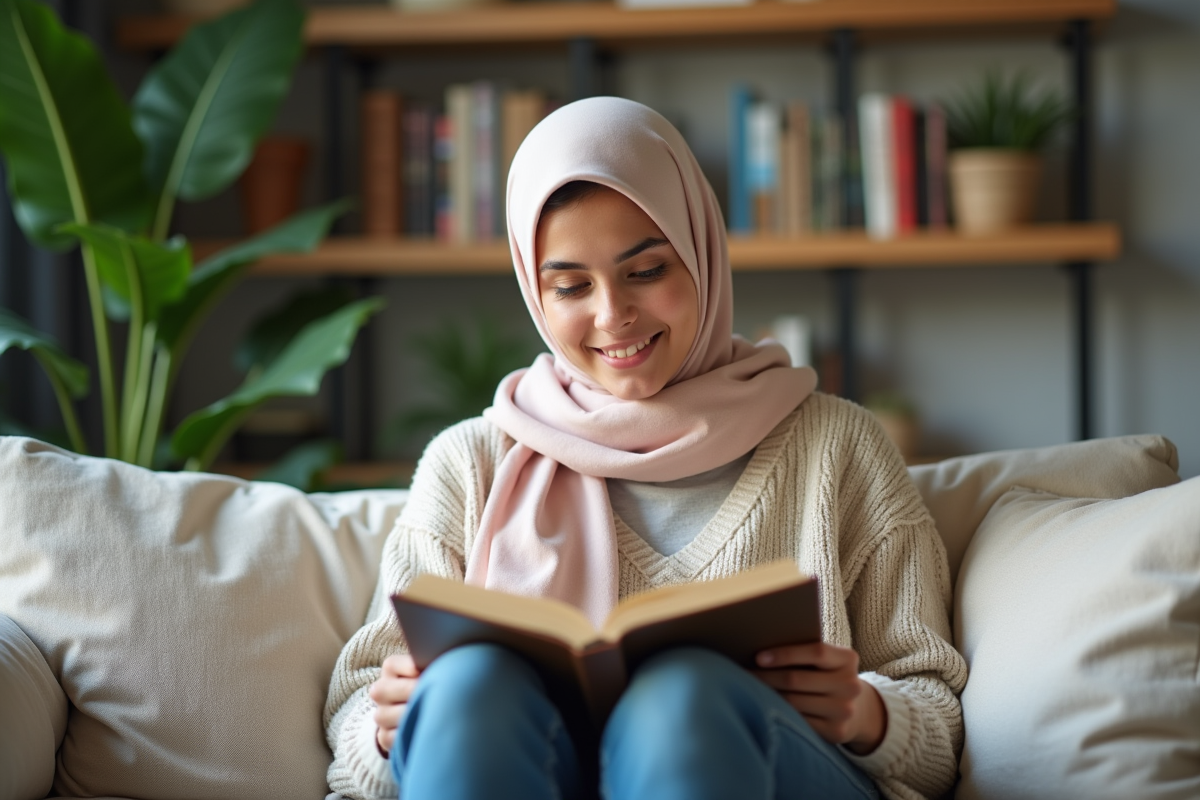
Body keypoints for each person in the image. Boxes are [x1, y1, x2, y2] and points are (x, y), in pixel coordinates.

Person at [324, 96, 966, 800]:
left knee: (682, 697)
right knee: (468, 687)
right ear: (536, 292)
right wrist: (392, 724)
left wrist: (867, 714)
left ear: (701, 252)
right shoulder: (470, 463)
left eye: (647, 271)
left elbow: (940, 728)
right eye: (570, 285)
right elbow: (356, 715)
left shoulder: (839, 446)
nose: (612, 315)